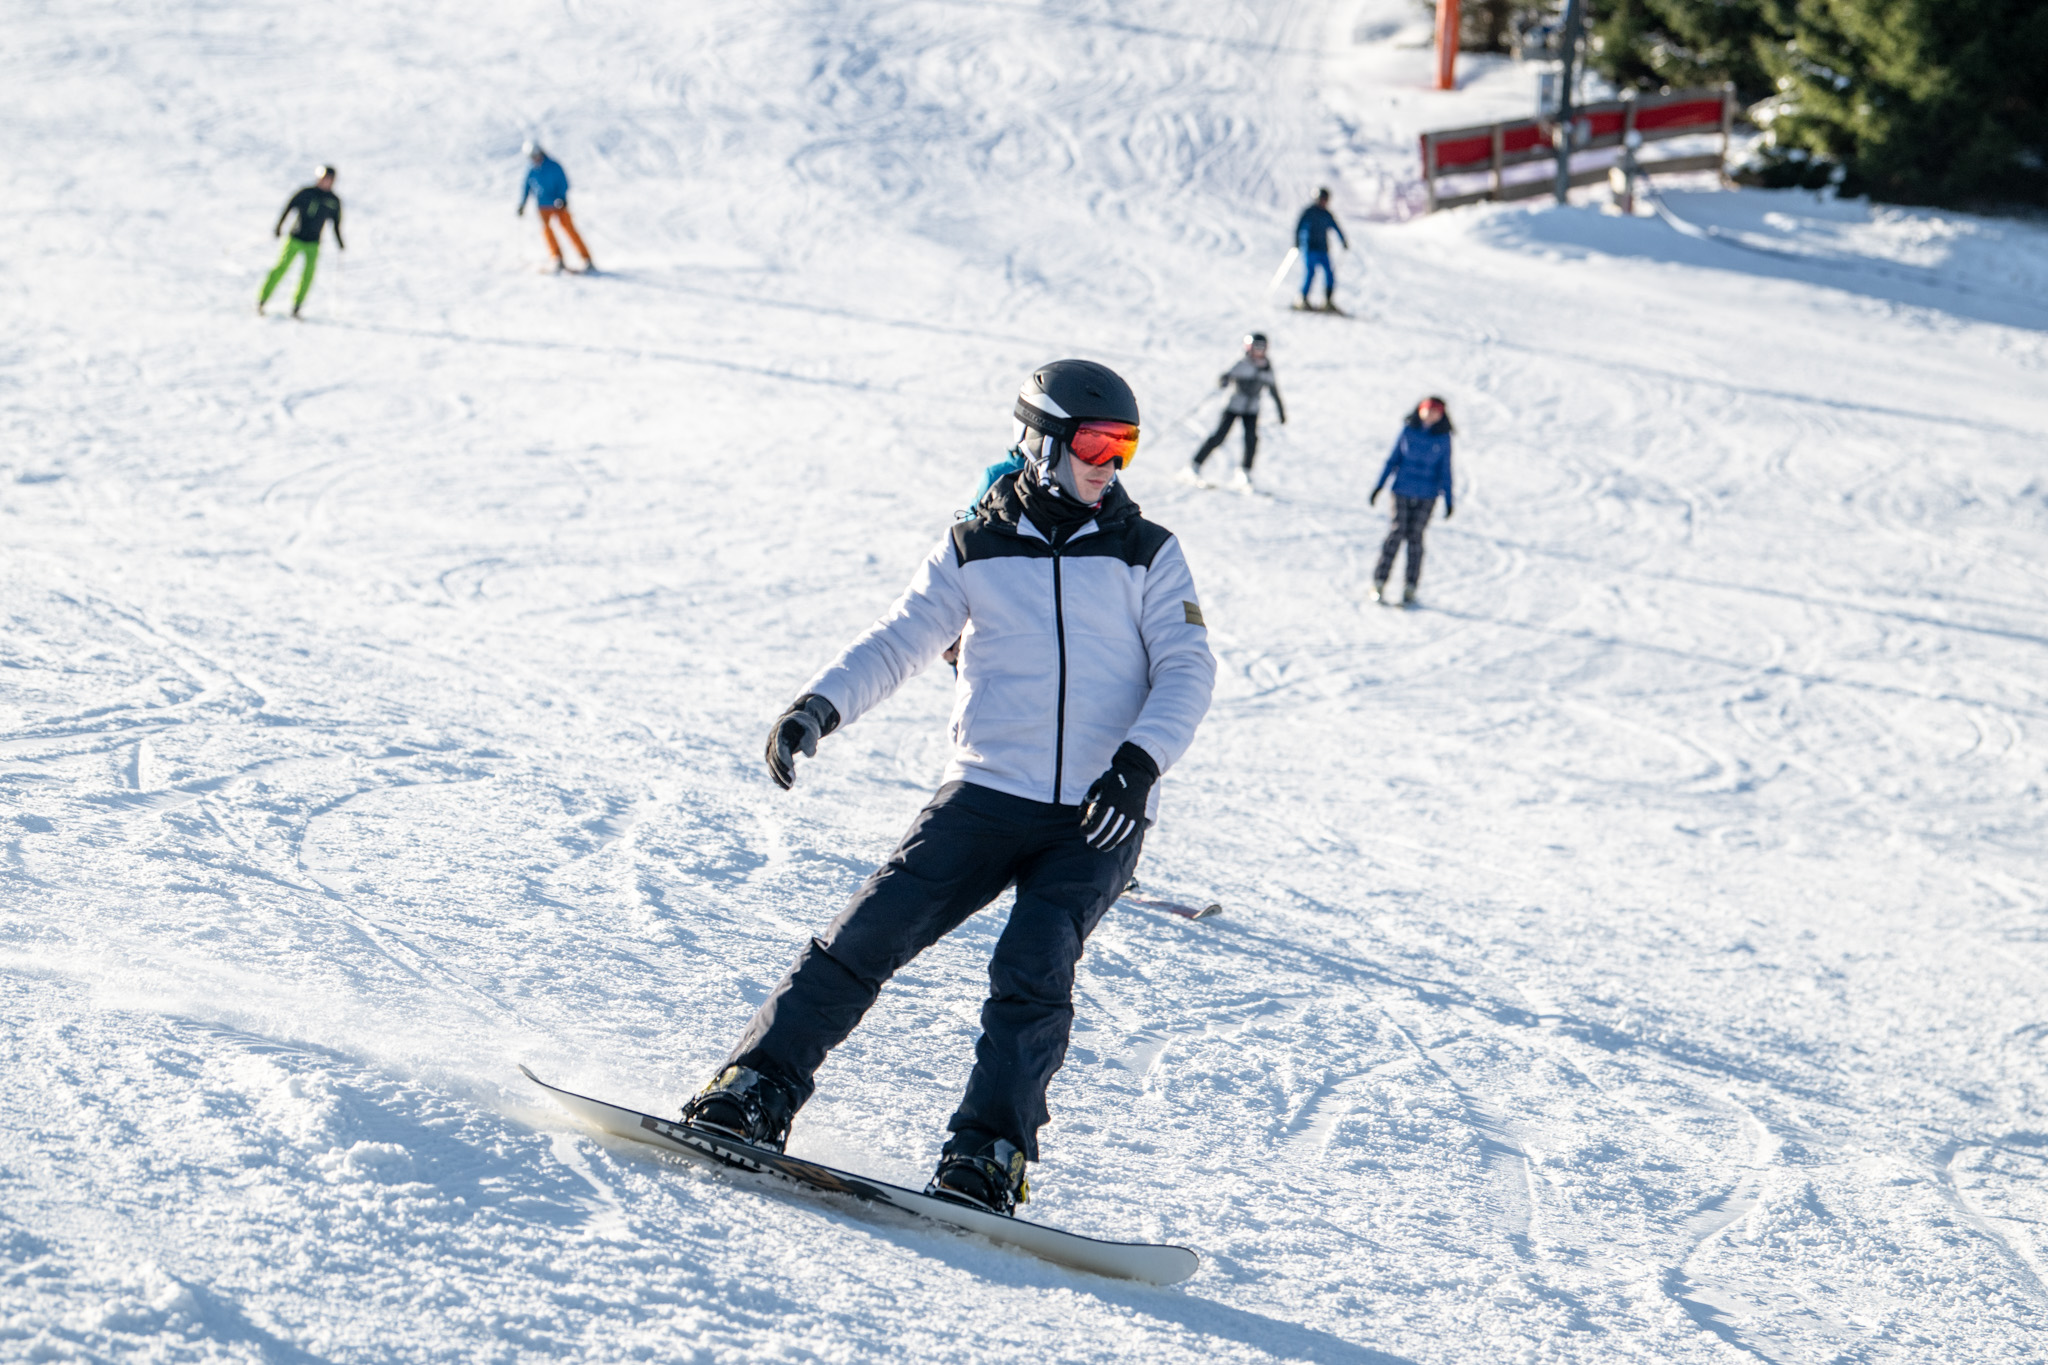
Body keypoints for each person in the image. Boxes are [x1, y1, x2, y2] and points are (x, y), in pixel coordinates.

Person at [681, 360, 1216, 1216]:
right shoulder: (975, 545)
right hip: (987, 789)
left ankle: (988, 1154)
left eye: (1126, 446)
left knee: (1033, 960)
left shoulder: (1145, 552)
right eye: (1093, 442)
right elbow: (900, 638)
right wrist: (819, 706)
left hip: (1099, 811)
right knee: (867, 930)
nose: (1110, 463)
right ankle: (756, 1086)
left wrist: (1139, 762)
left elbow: (1188, 668)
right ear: (1040, 443)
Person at [1369, 396, 1455, 606]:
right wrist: (1379, 486)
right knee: (1397, 532)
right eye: (1427, 410)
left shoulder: (1443, 438)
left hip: (1428, 494)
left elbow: (1445, 470)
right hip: (1402, 490)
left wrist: (1449, 499)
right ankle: (1379, 581)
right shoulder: (1409, 431)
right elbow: (1394, 459)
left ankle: (1410, 586)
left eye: (1435, 411)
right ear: (1420, 410)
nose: (1430, 415)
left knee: (1415, 537)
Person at [1190, 332, 1286, 489]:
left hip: (1252, 409)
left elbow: (1274, 391)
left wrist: (1281, 412)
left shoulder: (1267, 367)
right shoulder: (1242, 363)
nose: (1259, 351)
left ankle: (1244, 471)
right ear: (1248, 347)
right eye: (1256, 347)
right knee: (1219, 436)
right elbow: (1225, 376)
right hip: (1234, 406)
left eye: (1262, 348)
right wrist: (1225, 380)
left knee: (1251, 439)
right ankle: (1195, 464)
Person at [258, 166, 343, 317]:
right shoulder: (306, 193)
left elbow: (336, 223)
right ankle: (262, 300)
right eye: (324, 178)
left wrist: (339, 241)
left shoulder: (333, 201)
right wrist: (279, 226)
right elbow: (289, 206)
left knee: (308, 275)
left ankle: (296, 307)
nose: (326, 182)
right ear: (319, 178)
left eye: (330, 180)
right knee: (281, 267)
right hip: (295, 238)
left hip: (313, 243)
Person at [518, 142, 595, 273]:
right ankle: (557, 258)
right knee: (547, 230)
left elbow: (564, 182)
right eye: (532, 157)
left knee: (569, 229)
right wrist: (522, 203)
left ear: (540, 152)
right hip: (542, 206)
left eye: (536, 155)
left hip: (557, 203)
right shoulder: (531, 169)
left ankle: (586, 258)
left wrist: (562, 198)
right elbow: (527, 187)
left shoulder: (553, 166)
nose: (535, 159)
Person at [1294, 188, 1348, 313]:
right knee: (1310, 273)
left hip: (1322, 249)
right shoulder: (1309, 212)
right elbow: (1299, 226)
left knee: (1329, 274)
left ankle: (1328, 301)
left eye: (1325, 199)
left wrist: (1343, 240)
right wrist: (1296, 241)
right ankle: (1302, 298)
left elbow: (1336, 227)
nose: (1324, 202)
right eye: (1322, 199)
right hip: (1309, 248)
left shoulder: (1326, 214)